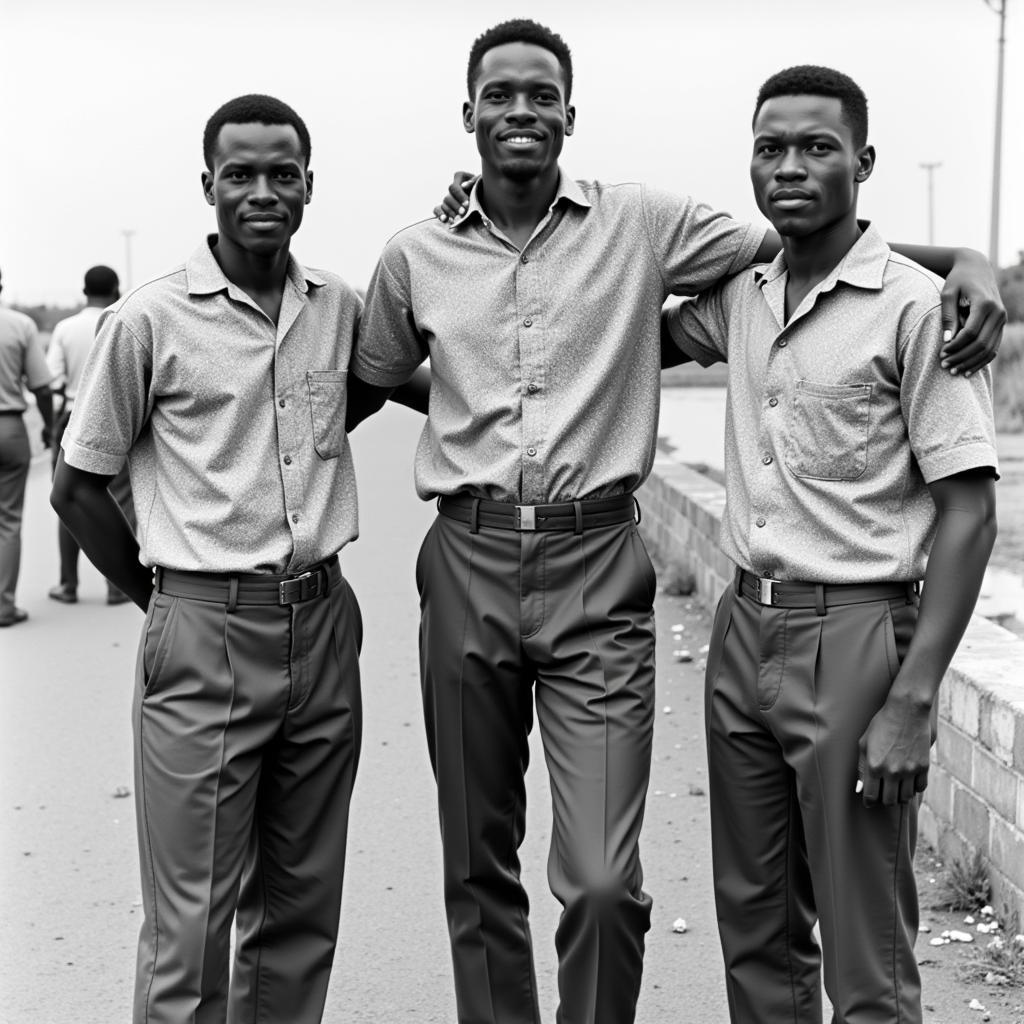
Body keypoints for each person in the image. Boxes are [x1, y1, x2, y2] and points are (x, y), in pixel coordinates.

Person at [347, 19, 1002, 1024]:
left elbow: (821, 250)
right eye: (770, 148)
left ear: (572, 111)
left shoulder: (658, 229)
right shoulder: (426, 257)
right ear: (468, 113)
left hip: (688, 585)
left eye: (540, 95)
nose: (520, 110)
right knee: (702, 913)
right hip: (535, 575)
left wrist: (971, 259)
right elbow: (394, 366)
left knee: (645, 890)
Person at [661, 66, 998, 1024]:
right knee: (757, 930)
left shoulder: (917, 308)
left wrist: (914, 697)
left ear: (864, 161)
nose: (792, 167)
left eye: (817, 147)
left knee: (866, 951)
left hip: (853, 641)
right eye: (771, 148)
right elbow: (611, 324)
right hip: (741, 636)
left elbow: (970, 512)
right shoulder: (739, 294)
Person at [52, 95, 364, 1024]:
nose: (263, 191)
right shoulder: (147, 323)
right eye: (242, 174)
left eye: (283, 174)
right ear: (209, 186)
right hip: (201, 633)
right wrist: (163, 598)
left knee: (300, 914)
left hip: (322, 628)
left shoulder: (337, 307)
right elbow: (76, 485)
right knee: (190, 927)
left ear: (309, 185)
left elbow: (397, 386)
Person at [46, 265, 133, 605]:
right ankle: (117, 587)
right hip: (118, 416)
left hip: (73, 416)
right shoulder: (121, 318)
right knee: (121, 499)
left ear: (84, 291)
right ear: (115, 288)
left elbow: (53, 378)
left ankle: (68, 584)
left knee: (70, 496)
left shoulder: (65, 328)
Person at [0, 268, 54, 627]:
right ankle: (4, 606)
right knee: (8, 520)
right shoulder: (19, 325)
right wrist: (50, 427)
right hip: (8, 428)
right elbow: (42, 387)